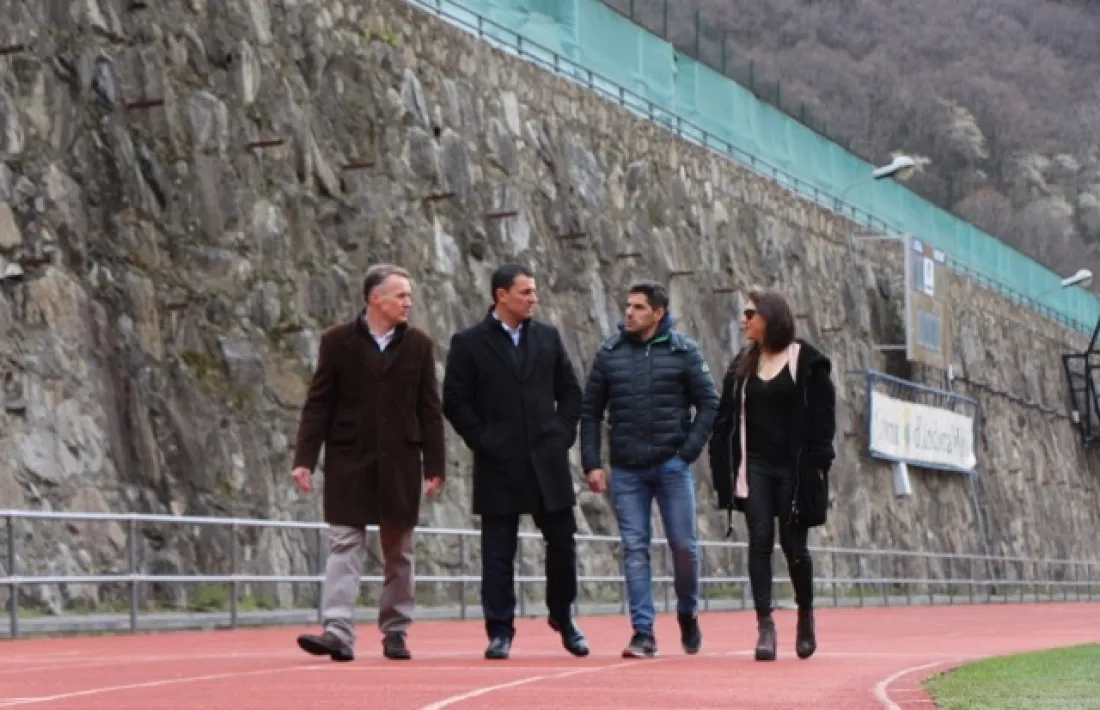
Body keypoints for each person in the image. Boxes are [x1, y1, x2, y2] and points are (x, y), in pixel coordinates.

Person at [291, 264, 446, 662]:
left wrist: (435, 464)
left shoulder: (419, 345)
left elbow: (429, 408)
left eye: (409, 296)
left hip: (400, 461)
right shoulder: (337, 341)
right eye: (400, 295)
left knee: (400, 552)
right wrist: (305, 459)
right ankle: (337, 631)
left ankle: (395, 631)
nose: (407, 302)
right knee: (344, 544)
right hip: (349, 458)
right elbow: (319, 403)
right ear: (375, 298)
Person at [442, 264, 589, 660]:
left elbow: (571, 392)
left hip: (548, 460)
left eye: (534, 292)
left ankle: (563, 615)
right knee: (498, 553)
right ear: (501, 295)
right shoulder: (469, 342)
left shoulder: (547, 337)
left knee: (562, 543)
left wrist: (562, 434)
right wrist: (483, 440)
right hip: (499, 462)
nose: (532, 299)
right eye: (525, 292)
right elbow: (455, 401)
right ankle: (500, 630)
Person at [580, 280, 719, 659]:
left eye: (639, 307)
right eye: (627, 306)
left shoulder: (684, 351)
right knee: (635, 548)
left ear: (658, 314)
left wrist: (687, 453)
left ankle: (688, 613)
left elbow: (710, 403)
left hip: (672, 466)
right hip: (627, 470)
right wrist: (592, 462)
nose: (629, 313)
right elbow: (590, 412)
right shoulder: (609, 353)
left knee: (683, 547)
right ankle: (643, 633)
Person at [707, 286, 836, 662]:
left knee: (794, 545)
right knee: (759, 539)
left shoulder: (807, 362)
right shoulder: (741, 366)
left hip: (793, 470)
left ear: (771, 319)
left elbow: (823, 421)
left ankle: (805, 616)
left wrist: (818, 465)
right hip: (756, 467)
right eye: (744, 315)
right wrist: (722, 464)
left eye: (751, 315)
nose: (744, 321)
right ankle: (765, 625)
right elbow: (726, 419)